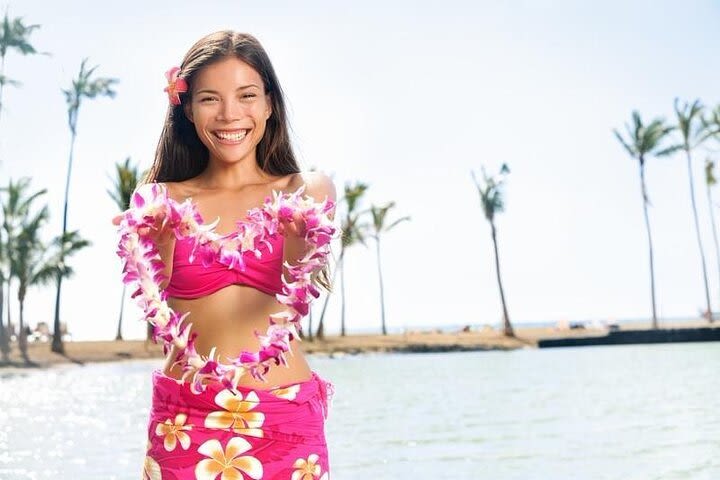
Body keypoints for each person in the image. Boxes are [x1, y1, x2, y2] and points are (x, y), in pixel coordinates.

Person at [116, 31, 337, 479]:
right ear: (188, 110)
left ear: (270, 103)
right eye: (210, 99)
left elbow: (300, 282)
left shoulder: (307, 191)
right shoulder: (160, 200)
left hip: (285, 416)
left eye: (247, 95)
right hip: (186, 418)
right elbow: (155, 305)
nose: (230, 114)